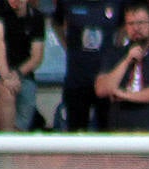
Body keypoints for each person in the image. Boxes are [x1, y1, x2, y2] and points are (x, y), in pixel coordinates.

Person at [95, 1, 149, 132]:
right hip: (121, 128)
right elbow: (102, 90)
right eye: (131, 24)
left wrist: (126, 96)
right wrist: (126, 60)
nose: (136, 28)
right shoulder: (114, 54)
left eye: (141, 23)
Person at [51, 0, 125, 132]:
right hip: (77, 78)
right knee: (76, 132)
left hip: (105, 78)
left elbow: (123, 26)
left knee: (108, 131)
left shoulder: (117, 3)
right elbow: (56, 23)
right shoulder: (67, 2)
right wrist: (68, 46)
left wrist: (116, 50)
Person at [0, 0, 43, 131]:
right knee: (7, 92)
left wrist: (17, 74)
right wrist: (6, 77)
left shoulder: (36, 17)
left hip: (24, 75)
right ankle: (6, 138)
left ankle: (16, 137)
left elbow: (36, 57)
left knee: (27, 94)